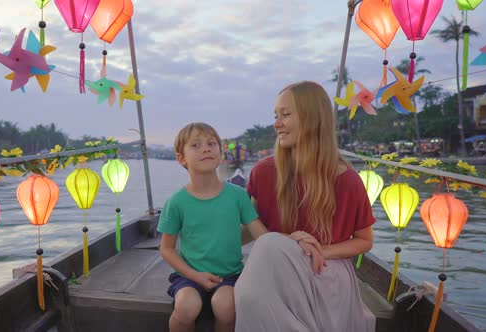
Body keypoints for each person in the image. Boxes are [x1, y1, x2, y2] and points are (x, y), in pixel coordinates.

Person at [235, 81, 376, 331]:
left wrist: (318, 249)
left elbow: (364, 240)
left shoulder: (346, 180)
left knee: (267, 247)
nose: (277, 123)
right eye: (276, 116)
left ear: (312, 118)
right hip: (275, 270)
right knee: (261, 264)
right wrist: (209, 244)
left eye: (285, 115)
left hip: (323, 270)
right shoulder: (263, 172)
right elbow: (251, 228)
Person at [158, 122, 268, 332]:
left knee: (226, 307)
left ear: (220, 153)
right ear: (181, 158)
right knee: (186, 307)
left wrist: (287, 244)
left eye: (211, 143)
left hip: (230, 275)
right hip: (189, 276)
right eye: (196, 145)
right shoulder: (177, 202)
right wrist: (193, 275)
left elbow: (260, 234)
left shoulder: (237, 195)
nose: (206, 148)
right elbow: (167, 249)